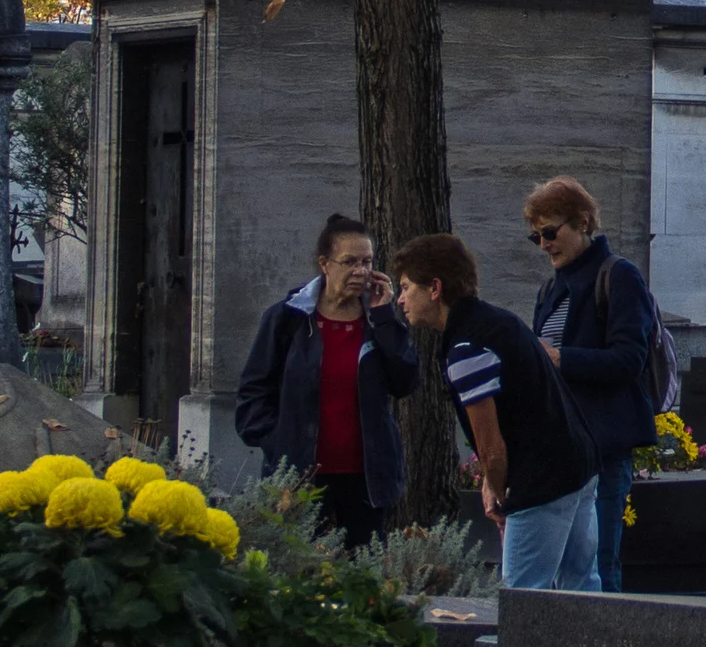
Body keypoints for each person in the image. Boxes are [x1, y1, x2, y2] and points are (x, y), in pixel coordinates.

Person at [392, 230, 601, 589]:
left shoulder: (466, 347)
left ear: (435, 288)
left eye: (407, 286)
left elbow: (491, 447)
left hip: (542, 481)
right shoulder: (497, 320)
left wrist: (500, 495)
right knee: (582, 590)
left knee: (522, 598)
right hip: (578, 464)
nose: (400, 299)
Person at [233, 214, 421, 549]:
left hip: (365, 479)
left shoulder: (377, 321)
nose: (361, 271)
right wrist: (280, 443)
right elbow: (253, 393)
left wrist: (383, 316)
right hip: (299, 477)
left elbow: (405, 381)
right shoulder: (287, 319)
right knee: (297, 571)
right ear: (325, 264)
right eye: (349, 262)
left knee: (363, 578)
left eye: (367, 262)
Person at [524, 176, 659, 589]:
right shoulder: (549, 289)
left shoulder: (618, 276)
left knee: (597, 565)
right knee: (560, 570)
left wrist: (561, 358)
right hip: (560, 451)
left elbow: (629, 359)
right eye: (536, 237)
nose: (545, 244)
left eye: (551, 232)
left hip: (602, 449)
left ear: (583, 222)